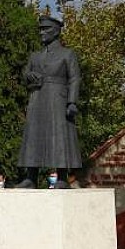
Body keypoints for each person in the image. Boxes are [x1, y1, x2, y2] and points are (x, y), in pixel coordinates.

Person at [17, 15, 81, 189]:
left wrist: (72, 102)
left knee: (59, 137)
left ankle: (62, 177)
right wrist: (29, 75)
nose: (41, 32)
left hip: (57, 99)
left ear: (56, 31)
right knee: (33, 136)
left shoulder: (68, 54)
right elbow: (25, 74)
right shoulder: (35, 56)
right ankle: (30, 177)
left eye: (45, 29)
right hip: (37, 98)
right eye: (40, 29)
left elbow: (74, 78)